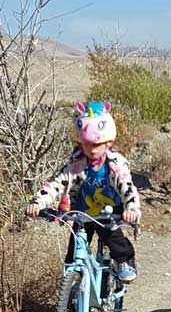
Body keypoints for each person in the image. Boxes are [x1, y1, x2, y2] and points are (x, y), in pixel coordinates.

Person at [26, 101, 141, 283]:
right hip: (81, 214)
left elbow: (128, 189)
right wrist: (39, 202)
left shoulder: (115, 165)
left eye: (97, 145)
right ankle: (69, 303)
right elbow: (56, 184)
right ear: (81, 143)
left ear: (108, 143)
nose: (92, 149)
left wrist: (131, 209)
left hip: (109, 215)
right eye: (87, 145)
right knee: (73, 257)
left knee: (114, 240)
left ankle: (125, 261)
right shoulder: (76, 164)